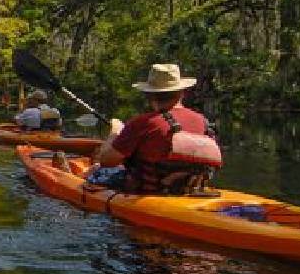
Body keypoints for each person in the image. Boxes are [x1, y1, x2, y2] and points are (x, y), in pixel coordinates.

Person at [94, 64, 222, 194]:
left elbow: (106, 160)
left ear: (149, 95)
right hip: (190, 192)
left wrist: (115, 132)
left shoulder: (143, 123)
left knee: (96, 170)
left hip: (149, 194)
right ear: (182, 93)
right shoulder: (202, 121)